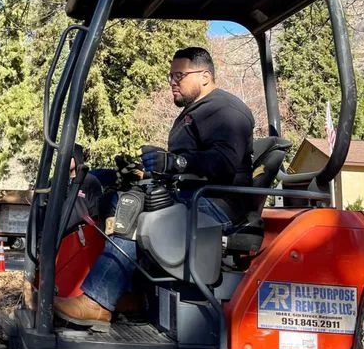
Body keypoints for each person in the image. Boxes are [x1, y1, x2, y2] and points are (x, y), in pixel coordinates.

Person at [54, 46, 254, 328]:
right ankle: (130, 293)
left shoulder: (225, 110)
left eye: (179, 75)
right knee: (114, 195)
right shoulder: (196, 111)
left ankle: (97, 301)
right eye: (171, 75)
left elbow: (223, 163)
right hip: (193, 197)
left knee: (135, 211)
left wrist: (175, 162)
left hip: (217, 206)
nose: (173, 81)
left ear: (205, 76)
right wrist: (147, 169)